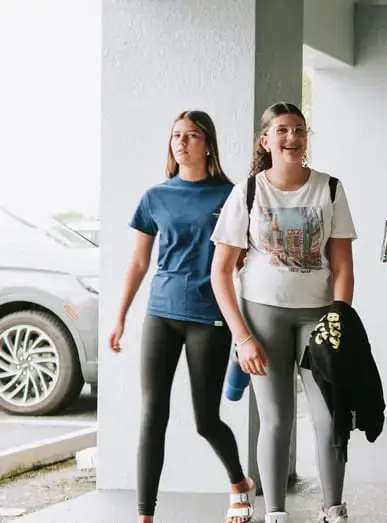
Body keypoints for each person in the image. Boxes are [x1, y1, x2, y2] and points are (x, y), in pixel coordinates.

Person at [210, 102, 356, 523]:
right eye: (283, 131)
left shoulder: (330, 188)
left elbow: (343, 265)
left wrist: (339, 319)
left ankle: (334, 510)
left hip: (320, 316)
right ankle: (275, 513)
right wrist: (243, 338)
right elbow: (220, 272)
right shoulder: (249, 192)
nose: (292, 138)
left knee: (330, 418)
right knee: (276, 420)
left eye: (299, 130)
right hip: (263, 316)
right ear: (266, 140)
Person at [109, 110, 255, 523]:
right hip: (161, 312)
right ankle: (145, 516)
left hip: (209, 316)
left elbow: (242, 260)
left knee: (205, 420)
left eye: (191, 135)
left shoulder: (232, 196)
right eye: (176, 135)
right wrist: (120, 316)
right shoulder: (155, 197)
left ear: (207, 144)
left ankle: (238, 482)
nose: (182, 142)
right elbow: (139, 263)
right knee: (153, 415)